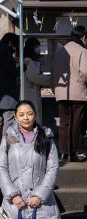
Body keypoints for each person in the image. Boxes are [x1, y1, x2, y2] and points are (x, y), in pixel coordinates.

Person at [0, 100, 63, 219]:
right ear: (16, 117)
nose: (26, 118)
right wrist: (12, 194)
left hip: (39, 201)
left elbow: (52, 168)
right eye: (21, 114)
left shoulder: (46, 137)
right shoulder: (10, 137)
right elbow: (1, 167)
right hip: (15, 201)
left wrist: (39, 195)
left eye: (29, 113)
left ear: (35, 115)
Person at [52, 25, 87, 163]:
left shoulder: (60, 52)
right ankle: (72, 154)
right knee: (76, 124)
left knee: (64, 123)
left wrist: (54, 88)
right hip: (78, 93)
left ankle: (63, 153)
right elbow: (85, 72)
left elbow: (53, 72)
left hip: (61, 93)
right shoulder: (83, 51)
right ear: (84, 37)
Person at [23, 37, 52, 124]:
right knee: (32, 115)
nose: (39, 49)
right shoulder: (28, 61)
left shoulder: (31, 61)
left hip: (31, 91)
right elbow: (35, 77)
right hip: (30, 92)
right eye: (36, 46)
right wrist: (52, 79)